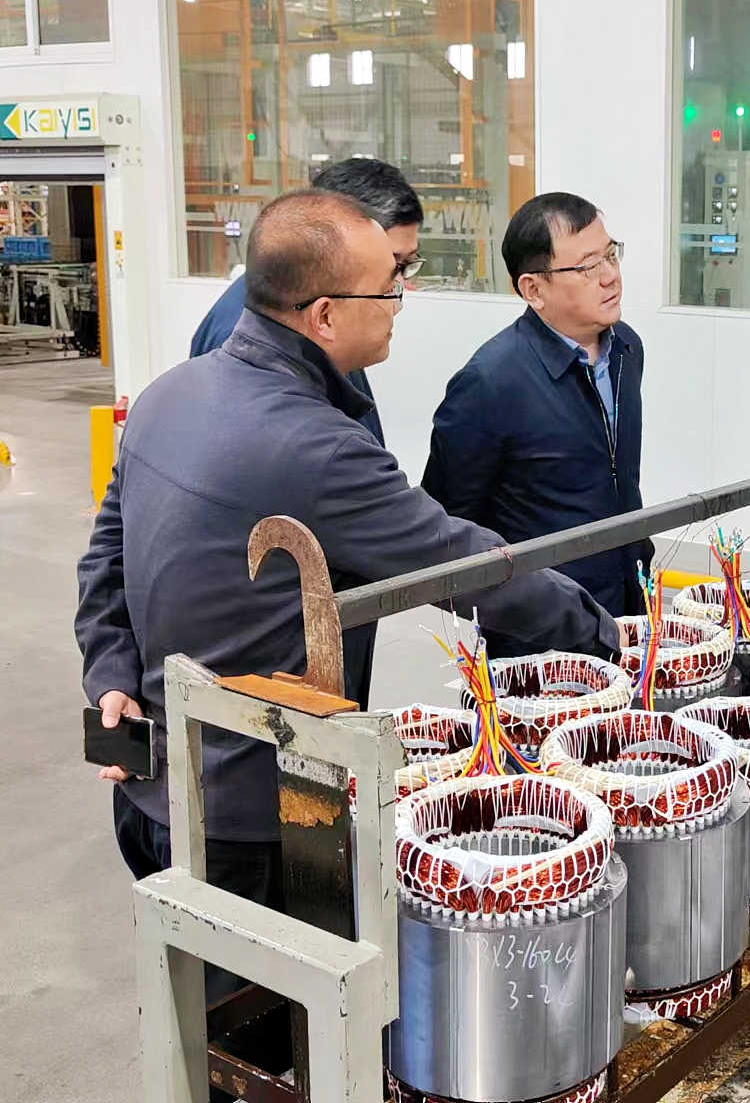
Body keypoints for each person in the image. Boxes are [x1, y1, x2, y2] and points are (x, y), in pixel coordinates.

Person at [76, 188, 618, 944]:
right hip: (251, 816)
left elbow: (104, 556)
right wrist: (606, 636)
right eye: (390, 285)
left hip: (147, 788)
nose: (401, 302)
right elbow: (460, 562)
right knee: (275, 1009)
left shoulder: (170, 393)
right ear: (325, 315)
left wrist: (108, 674)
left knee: (191, 1000)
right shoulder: (316, 444)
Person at [422, 192, 650, 648]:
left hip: (627, 602)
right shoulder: (489, 382)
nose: (610, 276)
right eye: (587, 267)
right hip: (541, 632)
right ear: (533, 290)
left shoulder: (626, 348)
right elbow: (448, 528)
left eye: (611, 255)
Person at [188, 158, 425, 444]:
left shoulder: (325, 314)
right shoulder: (243, 338)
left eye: (407, 265)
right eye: (391, 265)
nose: (395, 289)